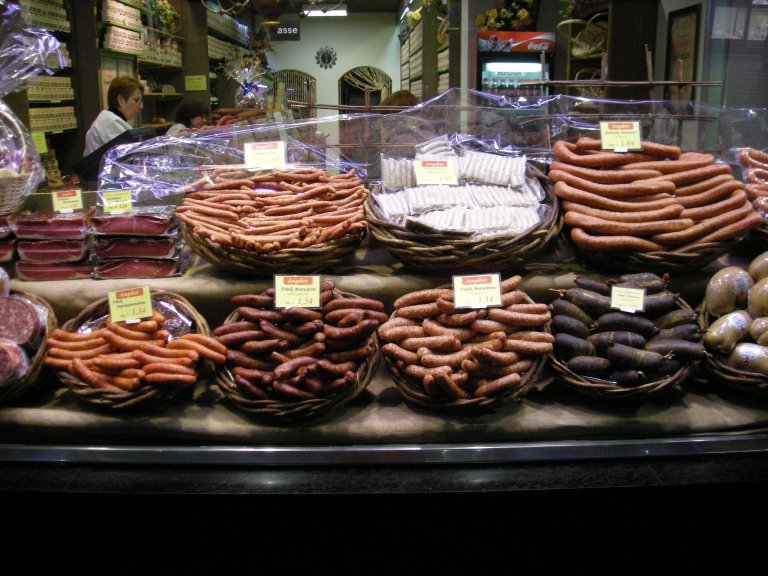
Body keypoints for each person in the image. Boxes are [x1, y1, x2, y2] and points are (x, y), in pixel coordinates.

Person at [83, 76, 144, 156]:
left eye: (141, 101)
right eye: (136, 100)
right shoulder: (110, 123)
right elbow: (131, 157)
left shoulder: (110, 119)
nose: (141, 106)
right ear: (121, 99)